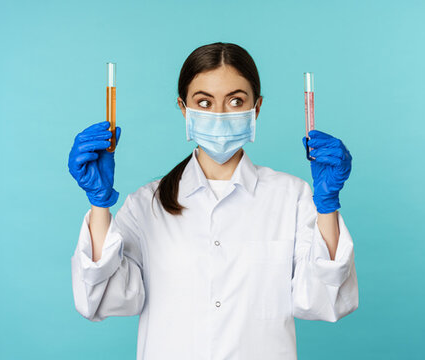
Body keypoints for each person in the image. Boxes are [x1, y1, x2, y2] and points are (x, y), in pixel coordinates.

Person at [67, 42, 358, 360]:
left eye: (235, 101)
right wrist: (99, 204)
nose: (219, 115)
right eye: (204, 102)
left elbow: (323, 301)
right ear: (184, 108)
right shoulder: (146, 205)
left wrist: (327, 204)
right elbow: (102, 299)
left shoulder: (292, 197)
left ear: (256, 108)